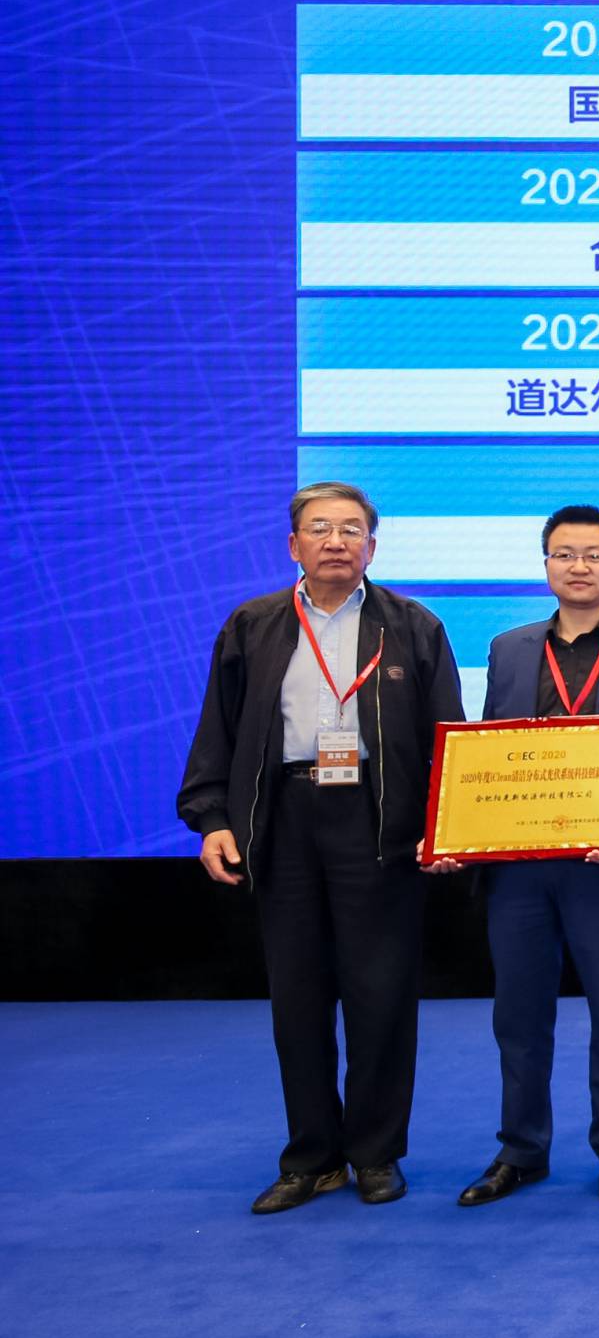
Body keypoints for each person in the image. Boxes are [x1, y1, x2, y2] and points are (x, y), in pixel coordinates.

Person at [179, 482, 463, 1213]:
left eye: (351, 529)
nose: (336, 541)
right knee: (297, 997)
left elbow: (448, 735)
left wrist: (448, 822)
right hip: (285, 818)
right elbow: (219, 727)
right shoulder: (253, 624)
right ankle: (311, 1157)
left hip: (380, 820)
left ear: (373, 544)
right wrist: (212, 816)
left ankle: (375, 1153)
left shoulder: (413, 626)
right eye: (320, 528)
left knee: (381, 994)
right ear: (293, 545)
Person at [440, 505, 599, 1206]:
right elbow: (489, 751)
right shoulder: (510, 647)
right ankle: (521, 1150)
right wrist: (463, 830)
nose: (579, 566)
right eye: (565, 554)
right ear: (546, 563)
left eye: (594, 555)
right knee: (518, 1016)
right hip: (520, 866)